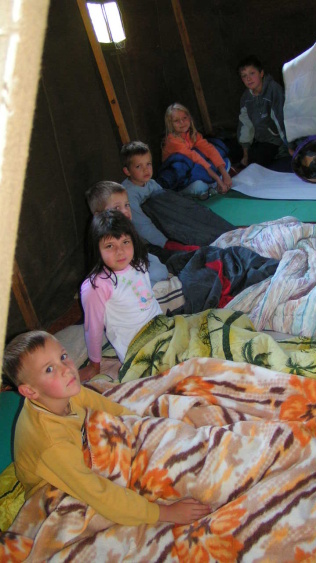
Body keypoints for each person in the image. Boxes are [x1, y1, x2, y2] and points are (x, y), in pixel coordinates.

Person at [3, 330, 211, 526]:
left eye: (63, 357)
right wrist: (163, 513)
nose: (66, 369)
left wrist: (147, 427)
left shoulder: (65, 390)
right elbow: (97, 493)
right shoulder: (52, 444)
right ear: (30, 392)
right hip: (53, 490)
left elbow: (110, 408)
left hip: (77, 450)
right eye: (49, 369)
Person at [80, 209, 163, 381]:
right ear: (97, 249)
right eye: (110, 246)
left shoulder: (138, 262)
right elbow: (93, 327)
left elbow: (150, 301)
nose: (120, 251)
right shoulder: (97, 286)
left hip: (163, 328)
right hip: (138, 348)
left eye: (125, 242)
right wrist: (94, 365)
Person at [85, 180, 169, 286]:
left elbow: (139, 251)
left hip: (137, 260)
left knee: (160, 269)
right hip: (121, 273)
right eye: (117, 207)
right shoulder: (100, 237)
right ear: (99, 215)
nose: (125, 211)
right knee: (157, 273)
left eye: (127, 205)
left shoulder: (128, 228)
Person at [162, 103, 232, 198]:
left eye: (184, 118)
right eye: (176, 121)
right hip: (181, 177)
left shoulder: (192, 134)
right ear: (170, 124)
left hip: (197, 168)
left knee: (226, 162)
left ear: (189, 118)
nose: (182, 122)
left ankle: (215, 183)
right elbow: (195, 158)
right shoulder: (172, 140)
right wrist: (218, 179)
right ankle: (215, 184)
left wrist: (224, 173)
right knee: (199, 187)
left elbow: (209, 150)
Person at [237, 55, 289, 168]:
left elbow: (281, 119)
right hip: (260, 140)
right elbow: (245, 124)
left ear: (261, 73)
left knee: (258, 159)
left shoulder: (273, 90)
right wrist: (245, 153)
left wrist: (289, 146)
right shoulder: (246, 98)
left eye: (252, 73)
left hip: (277, 140)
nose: (248, 79)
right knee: (237, 154)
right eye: (244, 76)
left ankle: (282, 152)